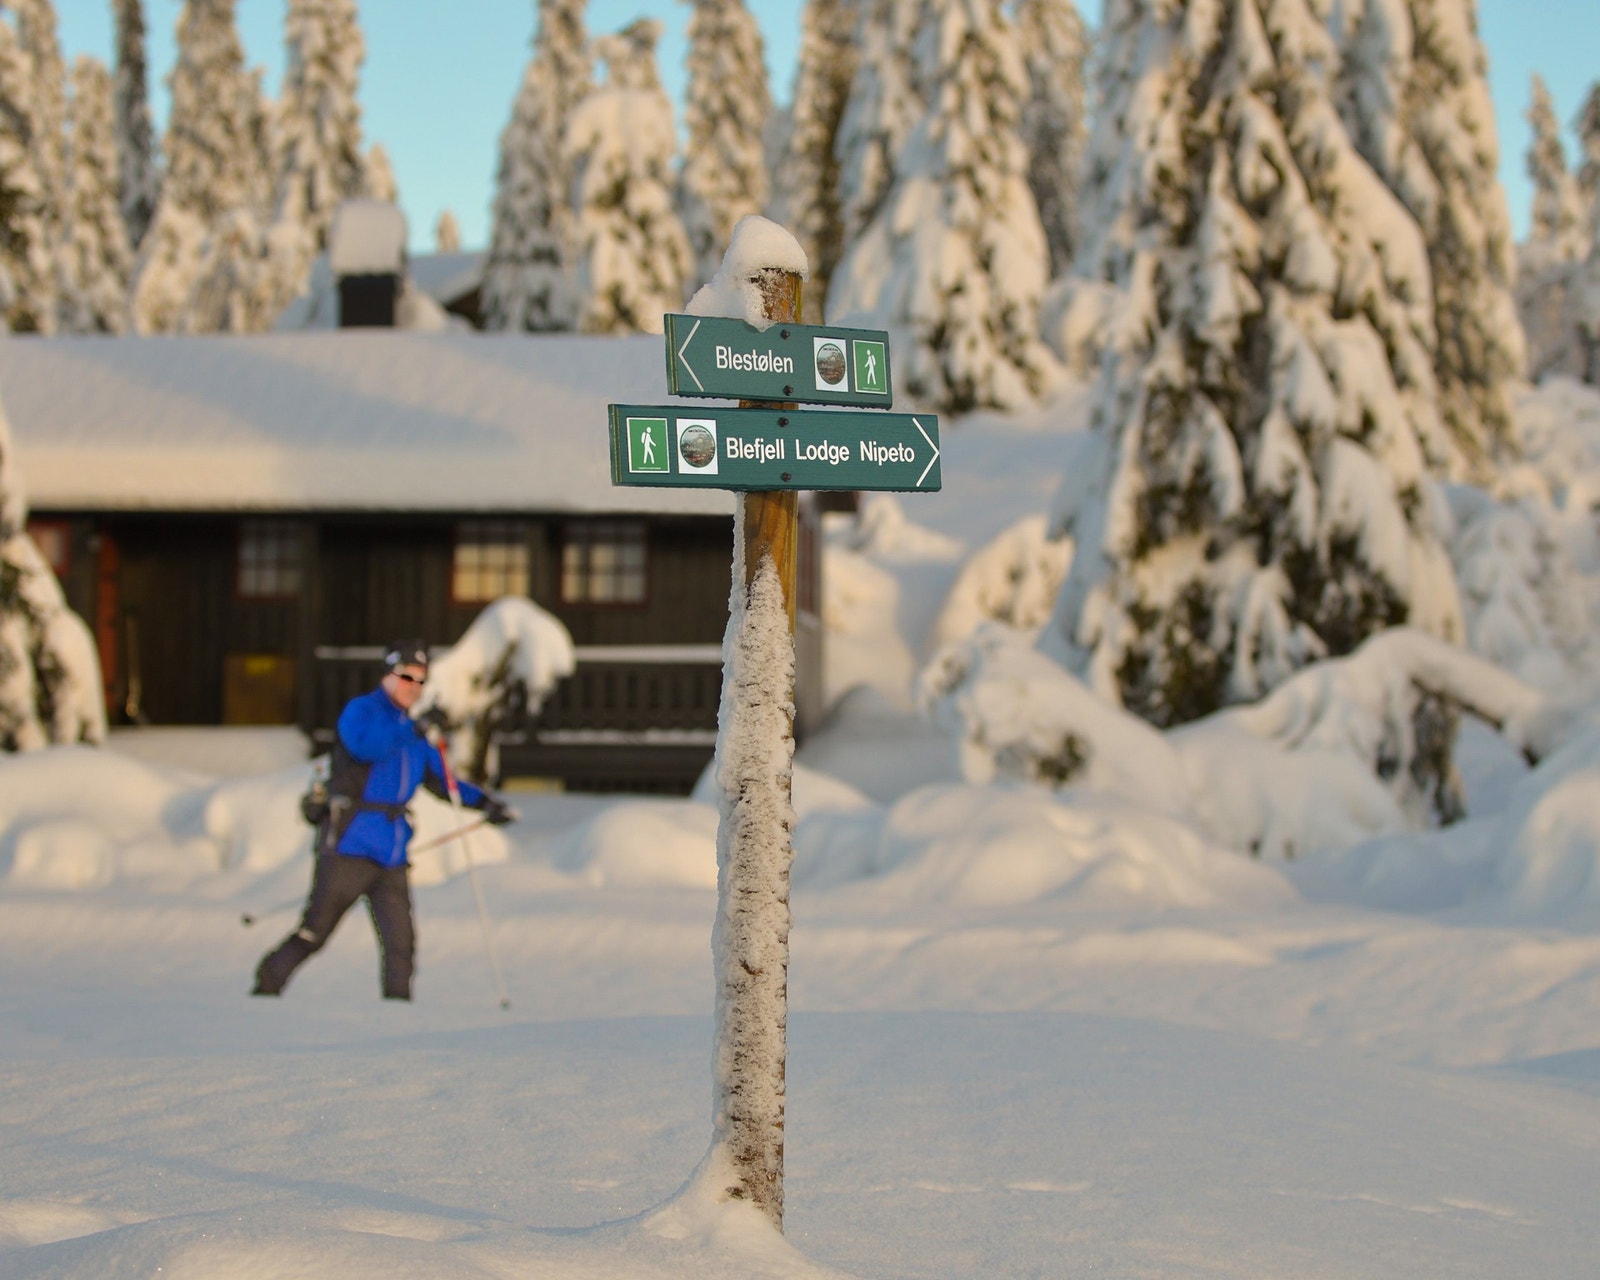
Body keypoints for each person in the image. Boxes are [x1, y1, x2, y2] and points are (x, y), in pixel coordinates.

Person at [253, 639, 515, 1000]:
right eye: (407, 677)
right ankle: (267, 987)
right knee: (316, 932)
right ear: (388, 675)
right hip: (349, 845)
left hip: (391, 854)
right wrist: (415, 729)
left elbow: (443, 782)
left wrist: (485, 803)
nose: (414, 687)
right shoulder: (362, 712)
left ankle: (396, 1013)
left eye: (421, 680)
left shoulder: (415, 730)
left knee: (401, 944)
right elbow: (366, 747)